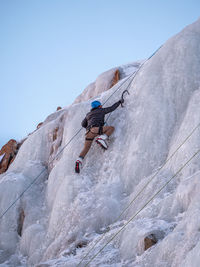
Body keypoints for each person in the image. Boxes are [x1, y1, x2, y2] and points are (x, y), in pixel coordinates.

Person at [75, 98, 124, 173]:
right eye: (100, 105)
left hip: (88, 133)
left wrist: (88, 126)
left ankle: (79, 161)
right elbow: (111, 108)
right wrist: (119, 102)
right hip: (95, 129)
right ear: (99, 106)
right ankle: (101, 139)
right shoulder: (101, 110)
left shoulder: (88, 114)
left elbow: (83, 124)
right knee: (111, 128)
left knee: (86, 148)